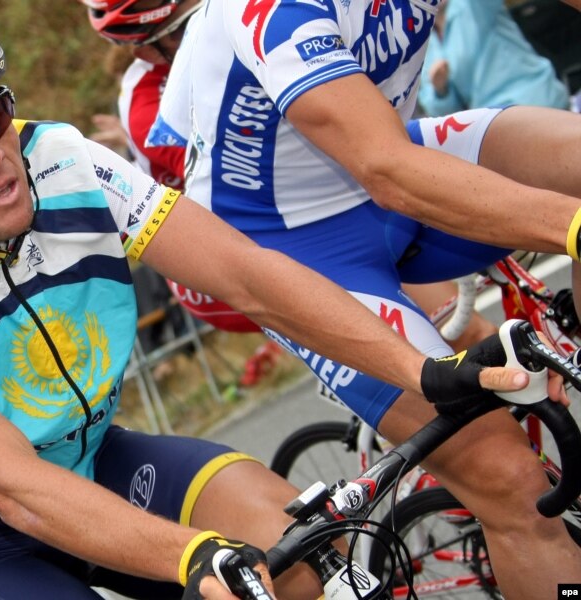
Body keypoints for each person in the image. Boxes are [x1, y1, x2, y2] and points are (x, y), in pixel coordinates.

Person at [0, 6, 547, 599]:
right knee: (221, 567)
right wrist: (191, 555)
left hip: (92, 456)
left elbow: (248, 275)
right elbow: (9, 485)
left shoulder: (60, 161)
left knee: (295, 561)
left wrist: (420, 370)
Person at [152, 0, 581, 598]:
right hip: (295, 240)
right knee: (509, 479)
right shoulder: (269, 9)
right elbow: (388, 170)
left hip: (385, 159)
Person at [84, 0, 498, 353]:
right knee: (465, 338)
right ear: (145, 49)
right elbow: (250, 180)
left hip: (302, 200)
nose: (199, 30)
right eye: (180, 31)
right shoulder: (148, 106)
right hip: (232, 250)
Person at [418, 0, 570, 117]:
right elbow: (442, 114)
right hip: (493, 122)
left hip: (536, 103)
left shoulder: (472, 5)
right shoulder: (420, 43)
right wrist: (440, 89)